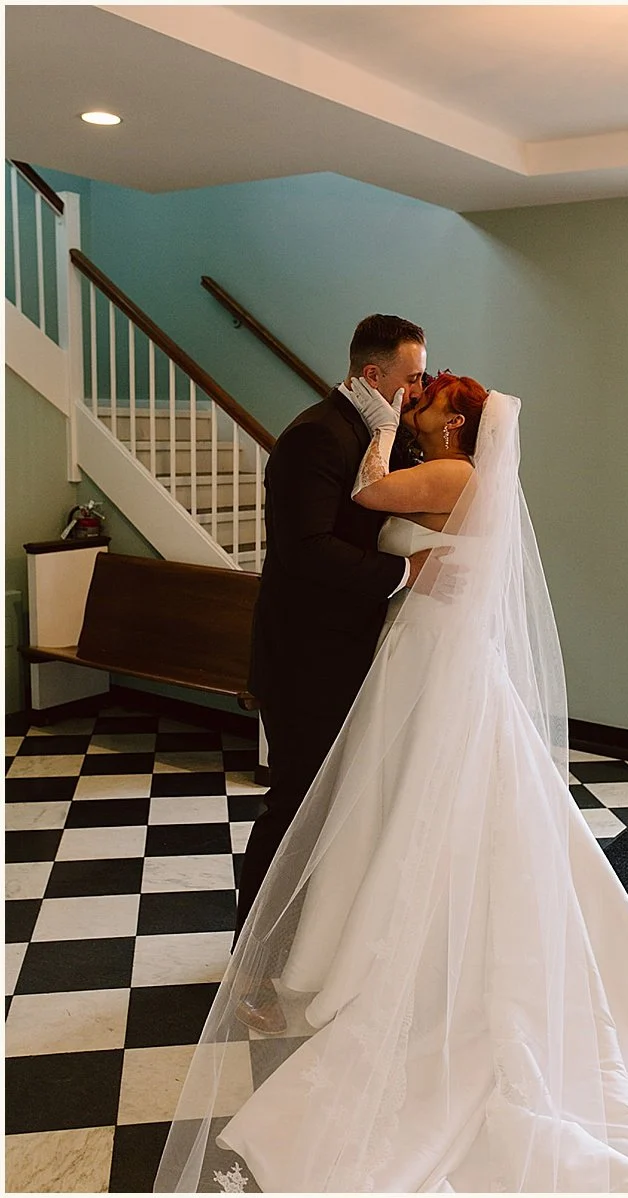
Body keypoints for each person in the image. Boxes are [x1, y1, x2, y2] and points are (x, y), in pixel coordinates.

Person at [156, 374, 628, 1192]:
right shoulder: (466, 478)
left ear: (457, 421)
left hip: (432, 652)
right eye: (417, 388)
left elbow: (369, 494)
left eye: (432, 397)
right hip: (429, 649)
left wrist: (380, 422)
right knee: (416, 795)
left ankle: (402, 943)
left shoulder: (451, 474)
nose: (421, 403)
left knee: (415, 795)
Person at [236, 314, 433, 1038]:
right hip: (304, 660)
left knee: (338, 813)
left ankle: (314, 952)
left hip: (355, 654)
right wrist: (403, 572)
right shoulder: (315, 436)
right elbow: (306, 549)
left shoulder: (384, 435)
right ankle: (251, 966)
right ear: (373, 375)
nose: (419, 388)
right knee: (294, 807)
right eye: (412, 376)